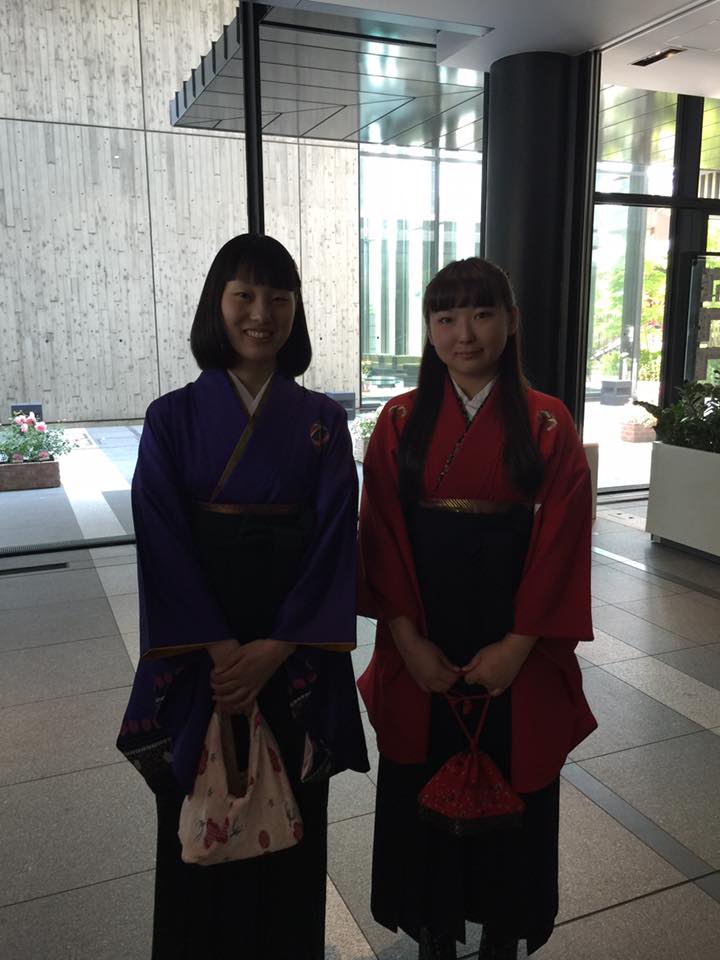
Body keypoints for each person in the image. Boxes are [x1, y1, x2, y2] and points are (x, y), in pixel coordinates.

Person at [117, 234, 368, 959]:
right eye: (245, 296)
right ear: (216, 305)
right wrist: (225, 650)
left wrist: (275, 648)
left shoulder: (322, 421)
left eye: (279, 298)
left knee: (294, 819)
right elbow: (161, 538)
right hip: (205, 656)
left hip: (291, 658)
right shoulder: (171, 417)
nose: (263, 313)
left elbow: (335, 540)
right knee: (201, 811)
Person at [357, 257, 597, 960]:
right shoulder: (400, 420)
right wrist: (407, 642)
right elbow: (381, 536)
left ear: (511, 322)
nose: (465, 333)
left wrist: (519, 646)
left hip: (517, 639)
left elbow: (562, 541)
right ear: (429, 329)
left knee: (515, 779)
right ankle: (433, 930)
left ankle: (501, 931)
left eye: (483, 314)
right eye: (447, 317)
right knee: (421, 771)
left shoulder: (548, 422)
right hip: (423, 634)